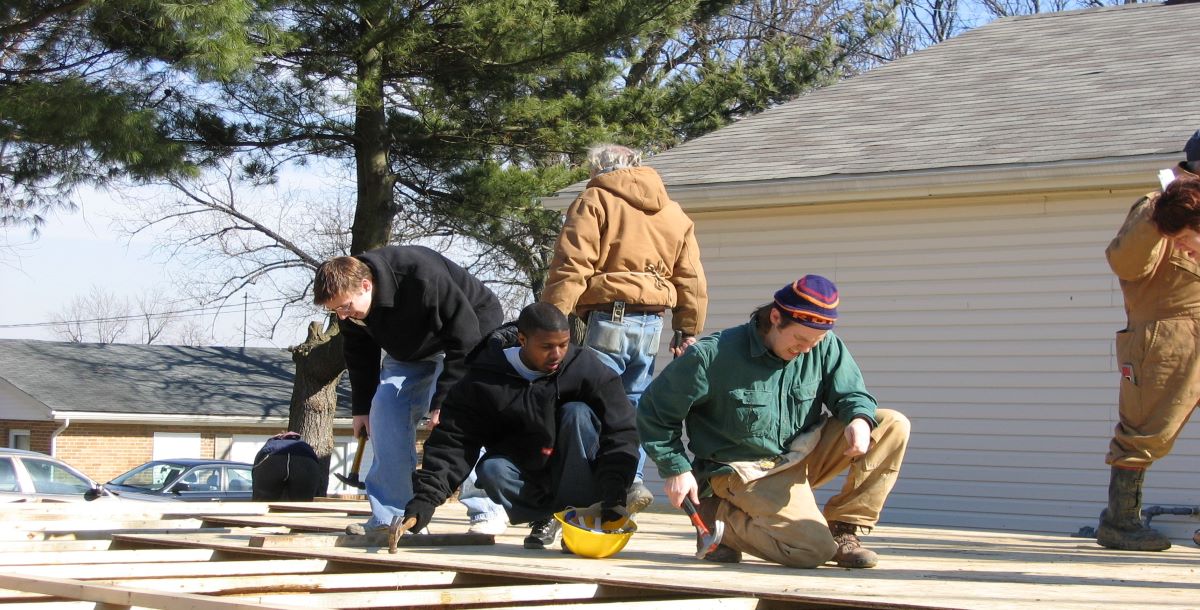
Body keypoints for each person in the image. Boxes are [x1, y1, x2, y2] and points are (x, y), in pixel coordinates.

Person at [637, 275, 911, 569]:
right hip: (744, 471)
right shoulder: (712, 356)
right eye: (800, 339)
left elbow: (853, 393)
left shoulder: (824, 346)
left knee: (890, 424)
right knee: (812, 550)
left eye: (815, 342)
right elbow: (654, 412)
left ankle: (844, 529)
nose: (806, 349)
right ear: (776, 317)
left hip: (802, 453)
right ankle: (716, 518)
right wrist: (676, 468)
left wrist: (858, 418)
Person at [403, 302, 647, 550]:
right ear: (522, 339)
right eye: (546, 347)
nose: (557, 355)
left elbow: (621, 429)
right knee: (492, 469)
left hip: (581, 470)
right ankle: (549, 516)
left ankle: (581, 515)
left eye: (563, 345)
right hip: (530, 475)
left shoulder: (584, 367)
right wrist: (426, 498)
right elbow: (454, 440)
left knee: (577, 413)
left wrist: (615, 491)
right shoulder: (483, 379)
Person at [540, 143, 708, 499]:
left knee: (589, 406)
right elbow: (690, 275)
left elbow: (573, 264)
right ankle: (628, 482)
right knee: (633, 404)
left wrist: (551, 320)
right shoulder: (673, 212)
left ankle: (587, 490)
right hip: (652, 324)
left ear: (597, 169)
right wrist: (688, 327)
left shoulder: (595, 201)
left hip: (608, 319)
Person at [313, 245, 505, 535]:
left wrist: (443, 401)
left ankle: (486, 510)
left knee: (462, 416)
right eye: (335, 310)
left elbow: (463, 340)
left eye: (345, 307)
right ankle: (393, 516)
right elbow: (359, 354)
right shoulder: (351, 310)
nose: (342, 315)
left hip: (470, 332)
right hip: (413, 349)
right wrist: (362, 408)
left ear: (366, 285)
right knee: (385, 411)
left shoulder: (420, 276)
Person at [1099, 173, 1200, 551]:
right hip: (1166, 336)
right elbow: (1126, 263)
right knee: (1144, 431)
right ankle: (1121, 523)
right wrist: (1158, 222)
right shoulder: (1160, 208)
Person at [251, 432, 321, 501]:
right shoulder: (304, 445)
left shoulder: (271, 443)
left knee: (263, 501)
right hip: (306, 460)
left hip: (272, 458)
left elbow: (256, 468)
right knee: (303, 502)